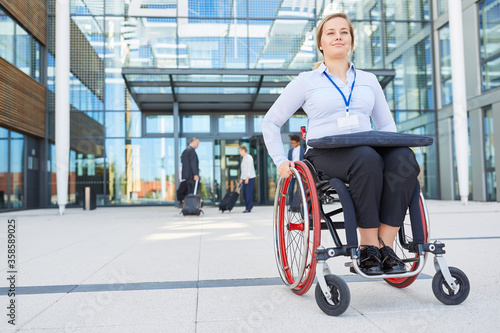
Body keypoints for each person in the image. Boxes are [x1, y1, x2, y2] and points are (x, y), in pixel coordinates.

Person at [261, 13, 420, 275]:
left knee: (404, 159)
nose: (338, 36)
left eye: (344, 32)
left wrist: (399, 153)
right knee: (366, 158)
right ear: (321, 44)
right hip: (326, 154)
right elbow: (270, 122)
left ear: (351, 41)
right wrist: (280, 160)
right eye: (331, 32)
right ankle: (368, 247)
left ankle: (386, 247)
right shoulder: (306, 81)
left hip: (368, 148)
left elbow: (387, 127)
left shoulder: (368, 80)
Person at [177, 137, 200, 203]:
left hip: (185, 176)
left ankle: (186, 203)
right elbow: (193, 163)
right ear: (194, 142)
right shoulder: (191, 151)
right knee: (190, 191)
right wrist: (195, 174)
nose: (197, 146)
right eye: (197, 144)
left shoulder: (185, 151)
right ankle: (190, 205)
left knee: (186, 191)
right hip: (190, 176)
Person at [287, 134, 305, 210]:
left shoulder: (303, 151)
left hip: (300, 172)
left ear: (298, 142)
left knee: (300, 189)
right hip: (292, 172)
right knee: (290, 189)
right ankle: (291, 205)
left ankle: (300, 205)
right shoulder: (290, 151)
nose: (292, 144)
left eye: (294, 143)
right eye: (292, 143)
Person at [239, 145, 256, 213]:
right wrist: (241, 178)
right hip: (244, 178)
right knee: (245, 194)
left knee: (248, 193)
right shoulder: (244, 158)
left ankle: (248, 208)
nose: (239, 152)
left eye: (240, 151)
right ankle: (248, 206)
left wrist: (247, 178)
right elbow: (243, 170)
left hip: (250, 178)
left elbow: (249, 168)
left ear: (243, 150)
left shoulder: (249, 157)